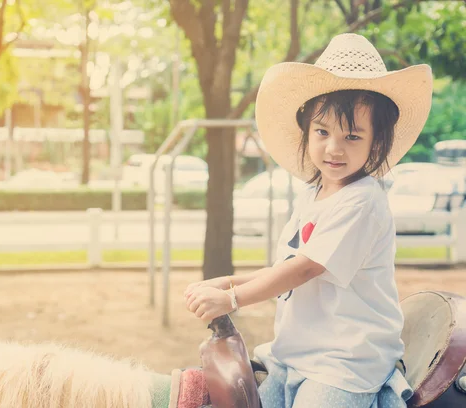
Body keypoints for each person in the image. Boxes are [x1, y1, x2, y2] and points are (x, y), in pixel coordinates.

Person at [183, 33, 433, 407]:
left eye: (352, 136)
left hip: (344, 363)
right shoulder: (312, 195)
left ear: (376, 142)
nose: (334, 148)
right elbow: (286, 266)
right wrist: (230, 280)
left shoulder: (362, 202)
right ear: (307, 131)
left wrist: (232, 298)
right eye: (322, 131)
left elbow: (304, 268)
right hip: (295, 354)